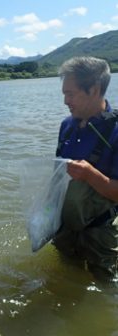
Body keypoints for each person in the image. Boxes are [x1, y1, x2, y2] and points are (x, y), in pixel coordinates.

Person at [53, 56, 118, 280]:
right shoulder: (67, 125)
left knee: (105, 283)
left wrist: (91, 175)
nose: (65, 101)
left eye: (70, 94)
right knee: (66, 273)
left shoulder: (116, 131)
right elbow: (57, 177)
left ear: (94, 89)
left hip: (101, 231)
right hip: (65, 225)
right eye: (64, 94)